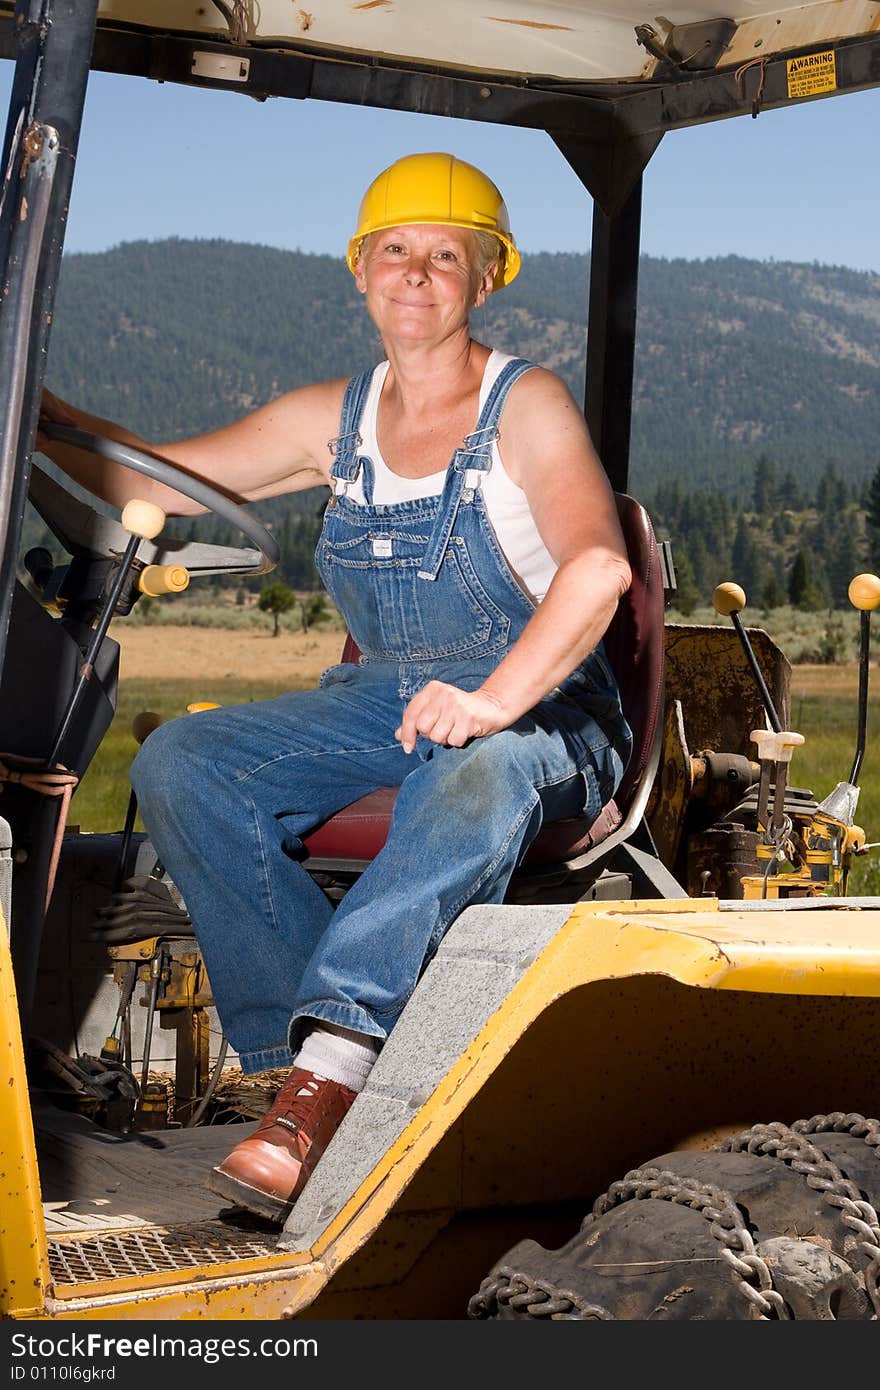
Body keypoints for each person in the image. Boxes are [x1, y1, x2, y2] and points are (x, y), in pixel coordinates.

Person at [38, 152, 633, 1223]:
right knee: (184, 759)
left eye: (444, 254)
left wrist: (493, 702)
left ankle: (330, 1075)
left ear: (484, 277)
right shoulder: (335, 418)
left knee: (467, 774)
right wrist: (37, 412)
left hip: (541, 705)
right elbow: (149, 487)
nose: (416, 272)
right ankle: (291, 1066)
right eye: (394, 250)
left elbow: (597, 569)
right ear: (359, 270)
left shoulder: (526, 404)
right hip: (386, 698)